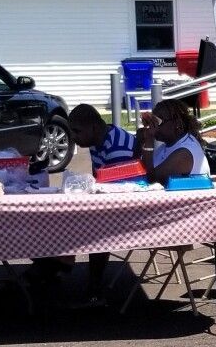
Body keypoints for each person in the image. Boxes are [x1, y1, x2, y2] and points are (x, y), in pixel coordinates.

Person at [64, 103, 138, 307]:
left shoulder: (117, 146)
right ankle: (52, 268)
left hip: (131, 206)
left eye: (77, 131)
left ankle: (94, 290)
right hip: (113, 199)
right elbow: (102, 180)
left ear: (94, 128)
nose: (74, 137)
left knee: (94, 228)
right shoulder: (98, 141)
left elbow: (117, 189)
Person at [138, 98, 210, 184]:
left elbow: (151, 181)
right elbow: (139, 171)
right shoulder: (165, 147)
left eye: (157, 121)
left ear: (177, 124)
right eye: (152, 121)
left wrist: (149, 141)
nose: (153, 126)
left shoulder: (185, 153)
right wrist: (139, 143)